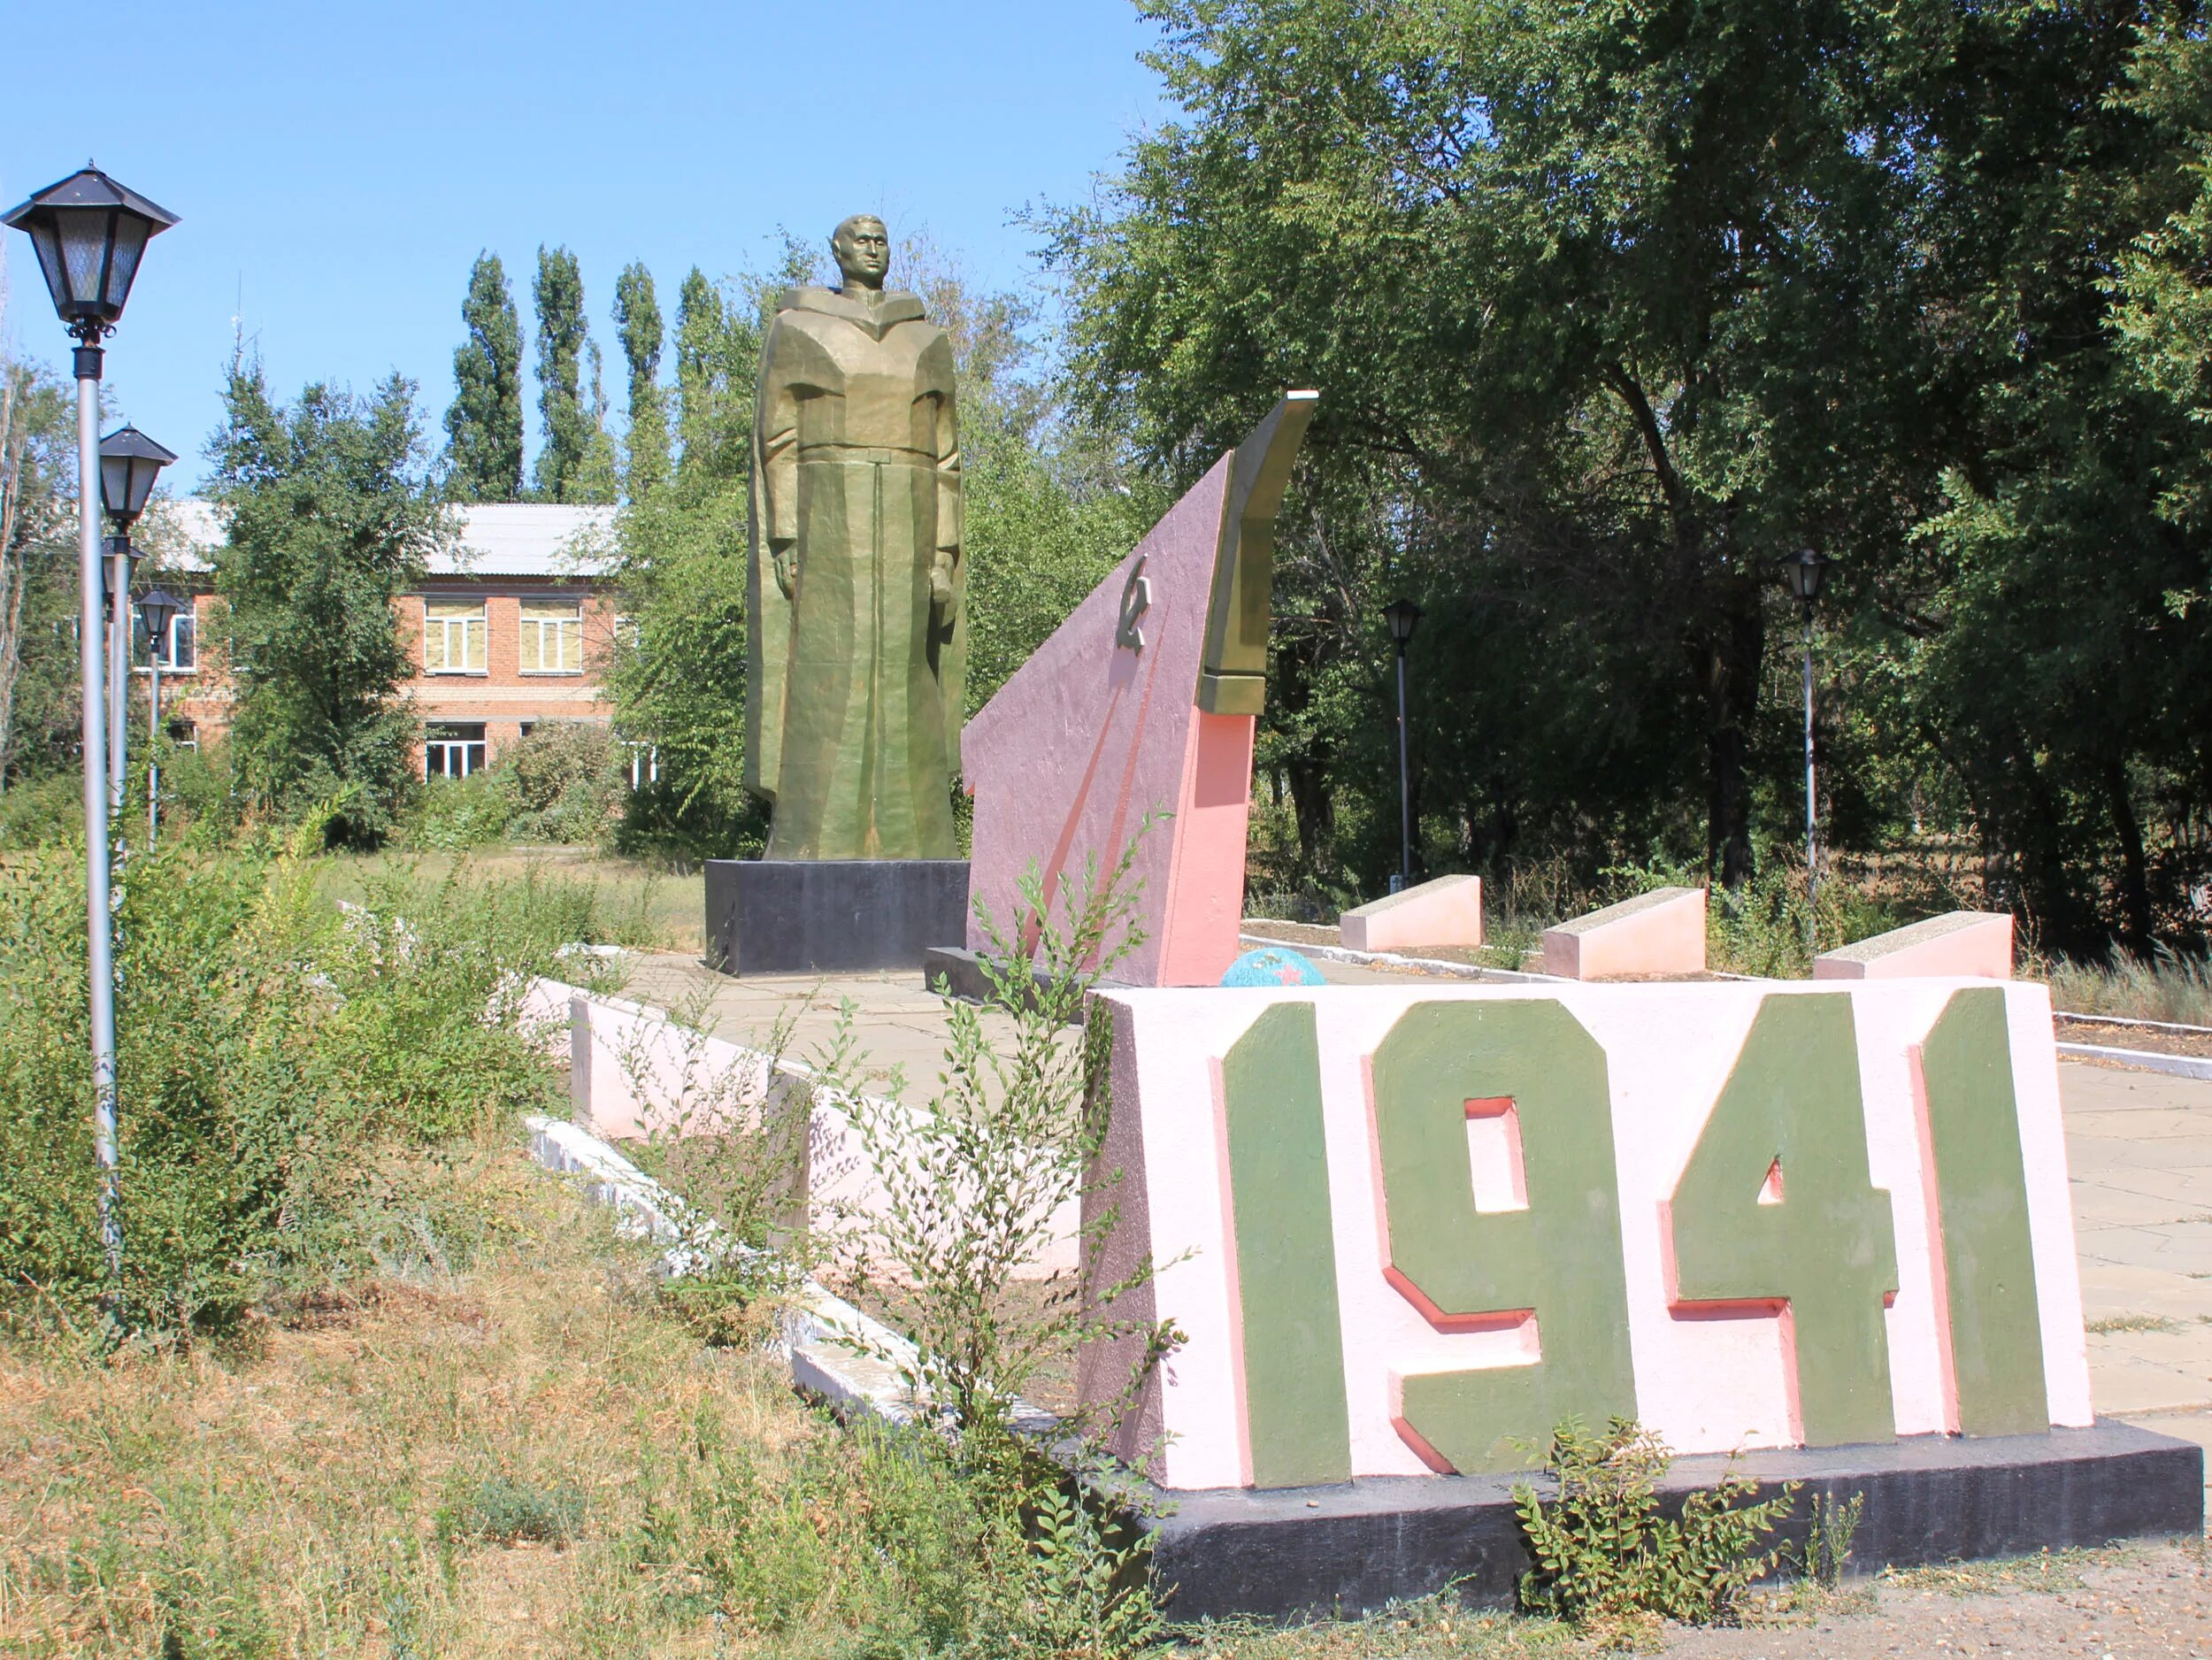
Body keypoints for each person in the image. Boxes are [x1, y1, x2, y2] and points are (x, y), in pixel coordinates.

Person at [743, 214, 965, 859]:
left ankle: (919, 842)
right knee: (827, 671)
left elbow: (948, 458)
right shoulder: (798, 327)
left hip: (911, 504)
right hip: (826, 508)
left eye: (882, 239)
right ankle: (813, 841)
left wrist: (944, 551)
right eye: (860, 239)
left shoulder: (926, 338)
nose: (873, 248)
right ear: (836, 250)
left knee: (907, 672)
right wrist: (786, 536)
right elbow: (776, 441)